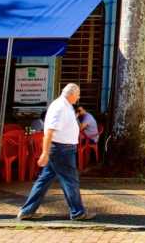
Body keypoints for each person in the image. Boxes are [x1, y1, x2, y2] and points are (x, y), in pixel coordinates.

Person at [18, 84, 94, 221]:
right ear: (71, 94)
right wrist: (45, 152)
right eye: (78, 94)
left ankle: (27, 211)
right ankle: (78, 212)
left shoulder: (66, 106)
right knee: (70, 181)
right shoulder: (59, 107)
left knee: (44, 180)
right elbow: (49, 132)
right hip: (61, 149)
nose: (78, 97)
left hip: (63, 148)